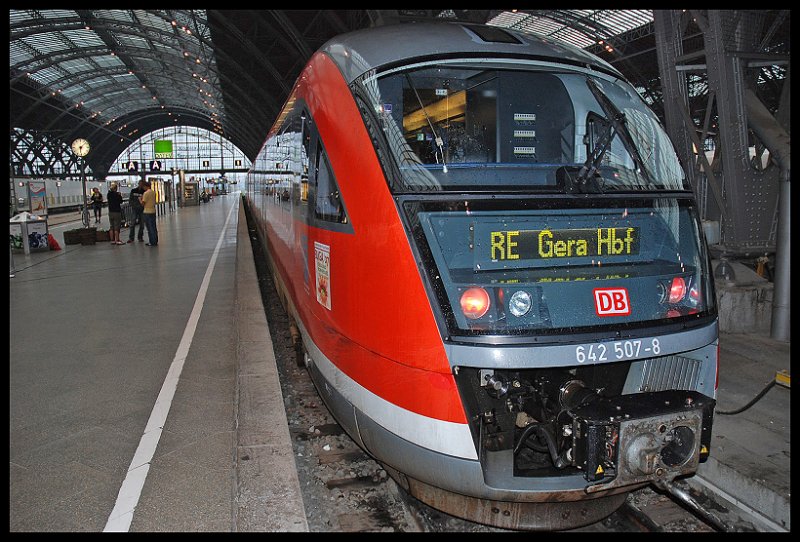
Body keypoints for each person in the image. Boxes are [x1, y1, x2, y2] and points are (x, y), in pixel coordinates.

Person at [141, 180, 158, 246]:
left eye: (143, 187)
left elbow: (143, 203)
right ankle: (155, 240)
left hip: (147, 212)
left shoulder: (146, 193)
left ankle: (152, 242)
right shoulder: (153, 192)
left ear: (145, 186)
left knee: (149, 228)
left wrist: (140, 200)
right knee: (153, 227)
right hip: (153, 211)